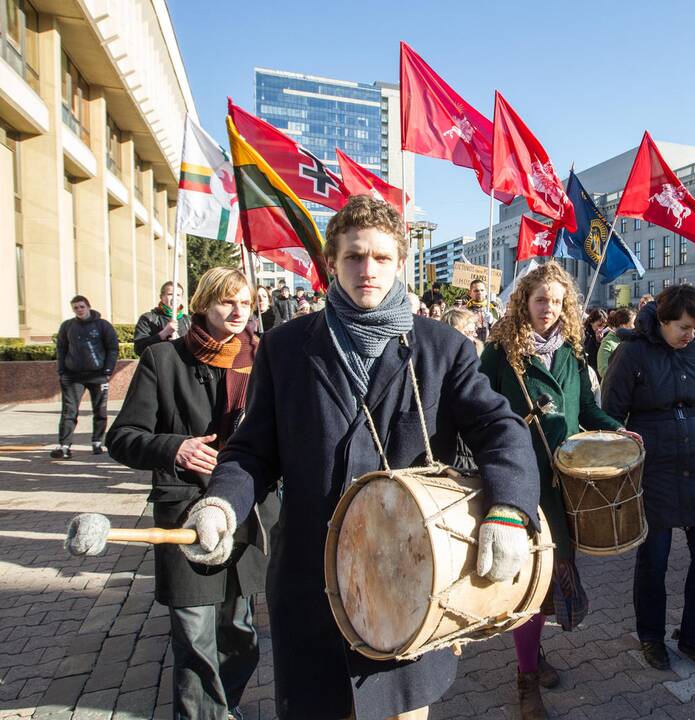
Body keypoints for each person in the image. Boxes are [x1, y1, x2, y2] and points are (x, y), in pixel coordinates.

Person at [179, 195, 539, 720]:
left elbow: (499, 428)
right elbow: (252, 452)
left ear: (399, 263)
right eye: (353, 257)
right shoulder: (284, 347)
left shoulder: (443, 347)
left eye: (381, 258)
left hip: (413, 582)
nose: (367, 270)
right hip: (313, 581)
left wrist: (509, 508)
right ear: (331, 264)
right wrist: (221, 505)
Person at [106, 267, 276, 719]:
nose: (238, 311)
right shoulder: (164, 359)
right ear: (202, 304)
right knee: (194, 634)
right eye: (226, 302)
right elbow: (122, 437)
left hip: (247, 514)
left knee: (239, 632)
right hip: (184, 512)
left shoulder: (265, 358)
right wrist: (173, 448)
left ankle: (229, 704)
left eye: (245, 301)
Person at [479, 263, 629, 720]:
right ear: (524, 301)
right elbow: (477, 413)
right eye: (541, 300)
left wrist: (619, 432)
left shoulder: (572, 354)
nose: (549, 309)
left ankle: (533, 654)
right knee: (529, 579)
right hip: (518, 480)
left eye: (558, 301)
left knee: (553, 575)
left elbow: (585, 408)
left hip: (564, 481)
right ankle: (526, 678)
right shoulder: (500, 354)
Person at [602, 285, 695, 678]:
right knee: (654, 562)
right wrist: (618, 473)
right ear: (662, 321)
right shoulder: (632, 353)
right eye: (683, 327)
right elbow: (609, 415)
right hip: (655, 472)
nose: (690, 335)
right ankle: (651, 636)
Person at [52, 296, 119, 459]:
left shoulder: (102, 325)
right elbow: (61, 349)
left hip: (98, 375)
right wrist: (61, 371)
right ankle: (64, 446)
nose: (79, 310)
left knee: (100, 410)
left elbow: (112, 348)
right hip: (73, 376)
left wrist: (108, 370)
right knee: (69, 411)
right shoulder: (68, 326)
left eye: (82, 307)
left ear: (88, 307)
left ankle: (97, 442)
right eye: (75, 308)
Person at [134, 281, 191, 356]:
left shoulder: (188, 320)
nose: (174, 298)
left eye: (178, 295)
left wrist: (181, 342)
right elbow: (139, 349)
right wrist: (163, 334)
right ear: (161, 297)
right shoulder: (148, 318)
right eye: (170, 294)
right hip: (160, 365)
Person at [596, 308, 635, 379]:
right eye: (633, 323)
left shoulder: (632, 340)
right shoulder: (607, 343)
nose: (635, 327)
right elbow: (603, 370)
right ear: (623, 326)